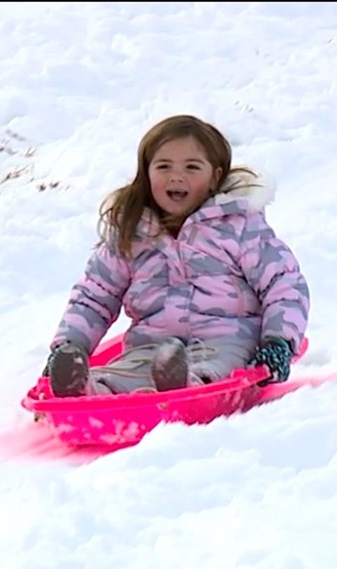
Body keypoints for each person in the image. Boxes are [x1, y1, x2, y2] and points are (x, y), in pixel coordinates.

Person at [42, 114, 310, 397]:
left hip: (227, 340)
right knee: (122, 373)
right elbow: (95, 296)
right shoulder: (132, 233)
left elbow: (283, 283)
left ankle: (187, 387)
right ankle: (85, 390)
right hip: (151, 347)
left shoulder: (239, 226)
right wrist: (69, 344)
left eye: (192, 167)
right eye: (163, 166)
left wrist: (278, 342)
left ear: (215, 177)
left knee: (217, 369)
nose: (176, 176)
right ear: (147, 174)